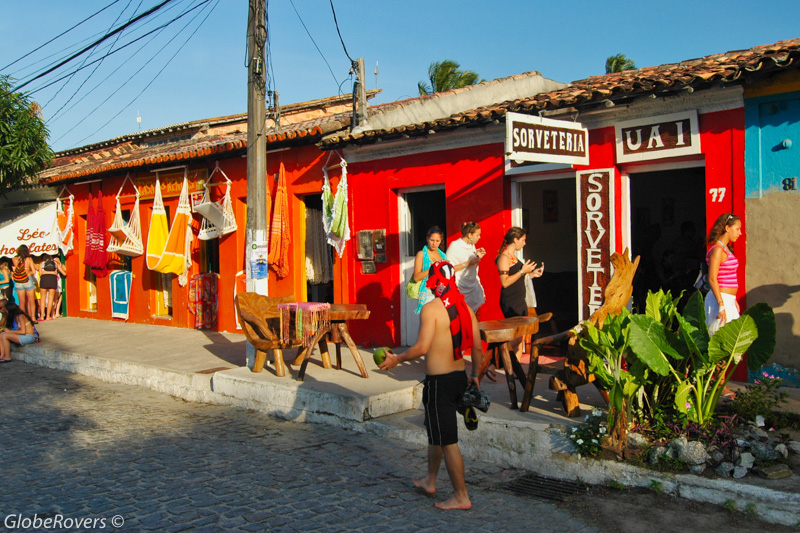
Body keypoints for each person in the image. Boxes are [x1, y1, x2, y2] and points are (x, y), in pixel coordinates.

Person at [380, 261, 483, 510]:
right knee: (436, 432)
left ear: (435, 282)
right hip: (459, 378)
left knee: (448, 440)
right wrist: (475, 375)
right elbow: (478, 347)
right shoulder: (465, 308)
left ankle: (461, 496)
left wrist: (398, 359)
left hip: (439, 383)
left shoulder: (431, 309)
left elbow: (422, 347)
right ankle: (430, 479)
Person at [495, 227, 544, 362]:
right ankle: (494, 359)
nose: (524, 243)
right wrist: (523, 271)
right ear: (515, 240)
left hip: (520, 299)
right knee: (516, 337)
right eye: (523, 240)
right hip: (511, 301)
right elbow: (505, 282)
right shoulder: (504, 257)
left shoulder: (514, 256)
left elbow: (518, 279)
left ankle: (516, 369)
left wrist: (531, 274)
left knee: (521, 336)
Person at [705, 213, 742, 334]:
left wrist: (733, 300)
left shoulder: (726, 249)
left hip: (728, 300)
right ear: (727, 228)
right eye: (737, 229)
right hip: (719, 300)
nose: (739, 233)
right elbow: (712, 278)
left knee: (734, 339)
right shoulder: (717, 250)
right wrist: (721, 305)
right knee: (722, 340)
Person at [445, 221, 487, 318]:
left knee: (476, 319)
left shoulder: (471, 245)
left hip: (473, 287)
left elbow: (472, 266)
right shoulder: (455, 246)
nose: (479, 237)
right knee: (464, 319)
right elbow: (448, 268)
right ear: (469, 235)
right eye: (478, 235)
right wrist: (468, 263)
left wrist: (477, 257)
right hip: (461, 288)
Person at [413, 226, 447, 314]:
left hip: (441, 292)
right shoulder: (421, 254)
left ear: (441, 241)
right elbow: (416, 277)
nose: (434, 243)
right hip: (428, 293)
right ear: (427, 239)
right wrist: (434, 268)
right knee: (427, 324)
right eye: (432, 240)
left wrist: (467, 263)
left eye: (437, 241)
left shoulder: (443, 256)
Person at [11, 245, 37, 323]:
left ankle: (23, 319)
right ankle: (33, 318)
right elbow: (34, 271)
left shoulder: (15, 259)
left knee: (22, 301)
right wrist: (28, 272)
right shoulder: (29, 259)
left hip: (19, 281)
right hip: (27, 279)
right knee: (31, 301)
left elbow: (16, 269)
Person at [38, 253, 66, 321]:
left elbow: (40, 274)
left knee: (43, 298)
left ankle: (42, 316)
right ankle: (48, 316)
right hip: (52, 278)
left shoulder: (42, 263)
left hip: (44, 278)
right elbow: (64, 273)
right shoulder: (56, 263)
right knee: (51, 298)